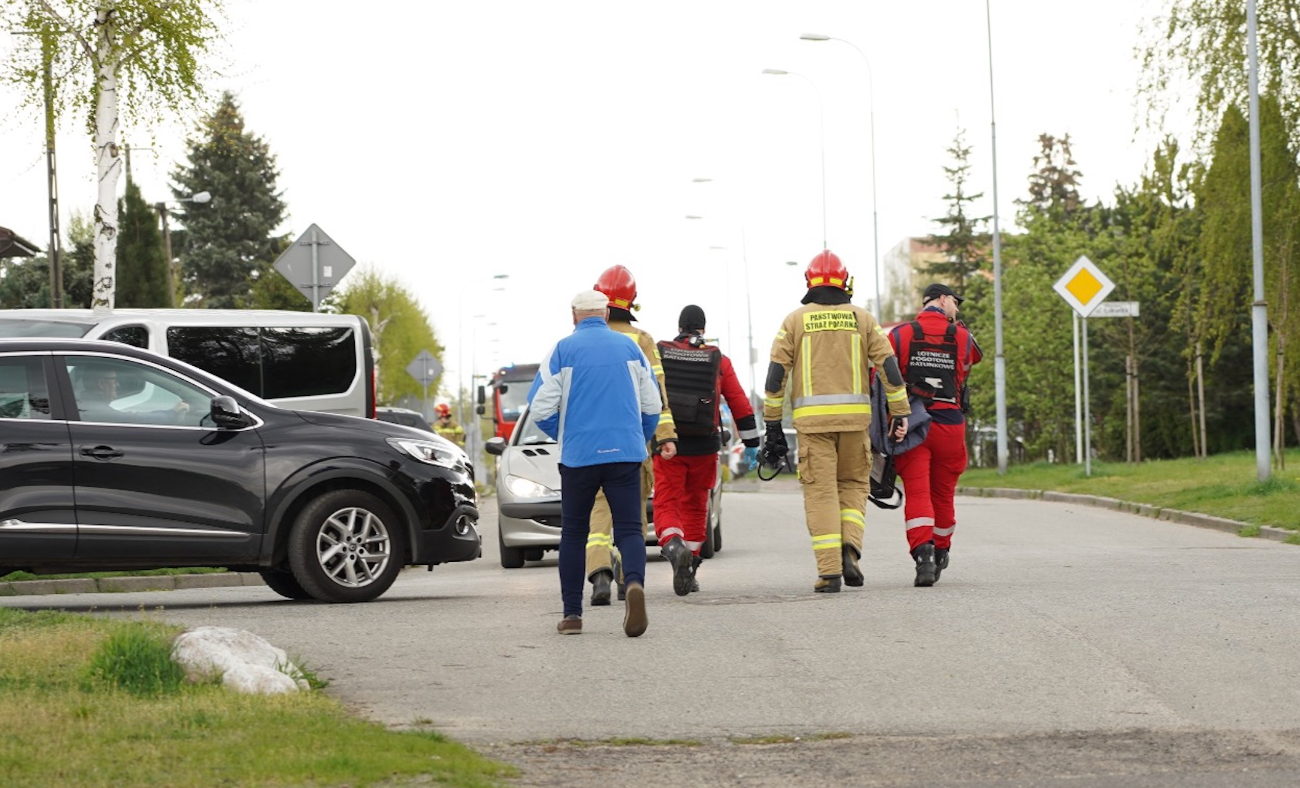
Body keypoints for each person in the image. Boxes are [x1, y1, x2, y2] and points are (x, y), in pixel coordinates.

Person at [762, 250, 910, 593]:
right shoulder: (863, 319)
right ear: (846, 283)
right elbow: (888, 367)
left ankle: (829, 572)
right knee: (854, 486)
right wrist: (900, 412)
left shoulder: (794, 321)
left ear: (809, 283)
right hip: (855, 424)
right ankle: (850, 550)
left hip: (813, 428)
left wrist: (772, 424)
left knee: (821, 493)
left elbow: (775, 375)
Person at [527, 289, 664, 637]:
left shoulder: (562, 351)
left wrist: (564, 433)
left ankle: (572, 614)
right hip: (625, 453)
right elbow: (652, 404)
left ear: (573, 315)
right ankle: (634, 584)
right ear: (605, 315)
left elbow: (540, 408)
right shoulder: (631, 348)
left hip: (579, 457)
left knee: (574, 533)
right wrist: (639, 435)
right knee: (631, 529)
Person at [583, 265, 678, 607]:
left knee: (598, 515)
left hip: (591, 445)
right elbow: (657, 393)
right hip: (631, 442)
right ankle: (627, 579)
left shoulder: (582, 340)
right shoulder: (642, 340)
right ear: (631, 302)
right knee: (631, 515)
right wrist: (665, 436)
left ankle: (599, 576)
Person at [654, 304, 760, 595]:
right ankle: (691, 564)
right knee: (696, 505)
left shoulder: (661, 356)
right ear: (703, 329)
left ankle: (673, 546)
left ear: (679, 327)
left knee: (666, 502)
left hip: (669, 445)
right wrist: (751, 444)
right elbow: (739, 402)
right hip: (704, 446)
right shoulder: (718, 360)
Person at [887, 283, 983, 587]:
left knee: (916, 491)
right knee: (942, 492)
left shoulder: (900, 334)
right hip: (949, 424)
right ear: (942, 300)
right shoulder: (963, 337)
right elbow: (974, 359)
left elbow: (882, 375)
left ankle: (923, 555)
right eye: (955, 302)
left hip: (912, 424)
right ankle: (941, 550)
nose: (957, 308)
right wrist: (956, 329)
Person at [77, 365, 189, 424]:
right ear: (102, 384)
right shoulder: (96, 410)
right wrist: (173, 413)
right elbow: (134, 419)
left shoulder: (85, 404)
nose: (118, 384)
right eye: (114, 380)